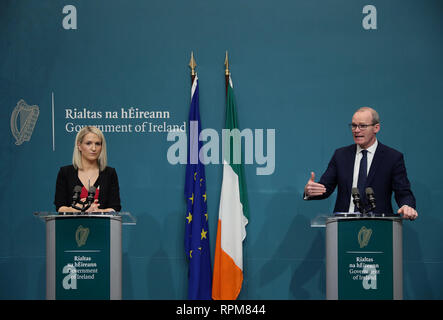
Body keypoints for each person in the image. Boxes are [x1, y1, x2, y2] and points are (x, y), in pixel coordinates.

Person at [304, 107, 418, 220]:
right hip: (344, 225)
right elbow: (325, 188)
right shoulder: (341, 155)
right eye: (354, 125)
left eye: (362, 126)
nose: (356, 130)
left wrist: (406, 206)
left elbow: (403, 192)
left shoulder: (392, 157)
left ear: (376, 128)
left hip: (379, 226)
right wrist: (310, 191)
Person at [54, 126, 121, 213]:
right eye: (88, 143)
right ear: (79, 146)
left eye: (97, 144)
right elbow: (60, 207)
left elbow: (115, 207)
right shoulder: (65, 172)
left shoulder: (110, 173)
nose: (94, 148)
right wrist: (77, 209)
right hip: (72, 225)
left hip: (101, 225)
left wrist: (98, 211)